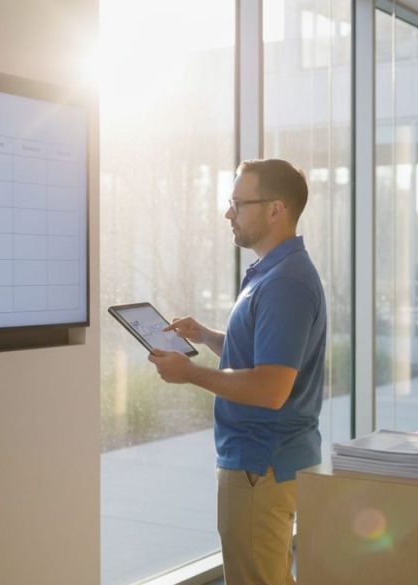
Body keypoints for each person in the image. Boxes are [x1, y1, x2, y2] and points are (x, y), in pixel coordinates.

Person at [148, 159, 326, 585]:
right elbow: (264, 356)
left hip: (258, 468)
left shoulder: (284, 283)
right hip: (267, 464)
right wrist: (206, 335)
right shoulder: (274, 273)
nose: (228, 213)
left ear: (275, 210)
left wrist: (189, 374)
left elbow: (270, 388)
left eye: (238, 203)